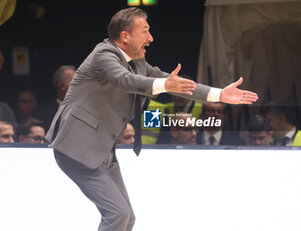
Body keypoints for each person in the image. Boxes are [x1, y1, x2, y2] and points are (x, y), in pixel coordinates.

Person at [45, 7, 258, 231]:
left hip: (102, 151)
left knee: (127, 219)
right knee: (118, 214)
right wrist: (164, 85)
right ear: (125, 36)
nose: (151, 38)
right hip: (76, 147)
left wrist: (220, 94)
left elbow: (178, 85)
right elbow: (124, 80)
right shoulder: (103, 54)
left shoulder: (139, 64)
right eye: (145, 31)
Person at [34, 65, 76, 131]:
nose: (80, 86)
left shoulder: (85, 110)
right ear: (62, 86)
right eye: (75, 82)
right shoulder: (43, 113)